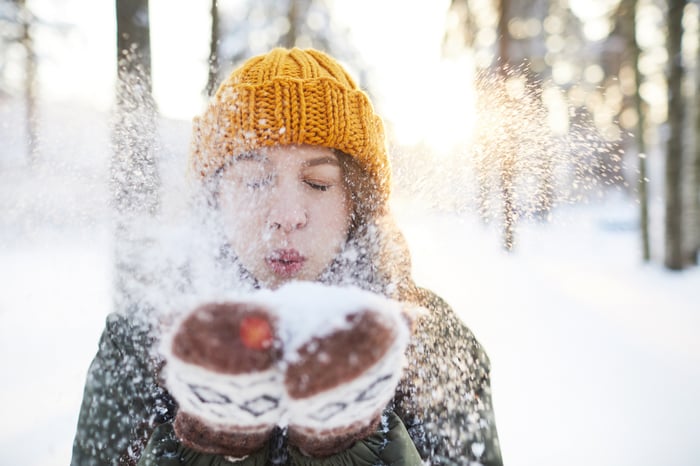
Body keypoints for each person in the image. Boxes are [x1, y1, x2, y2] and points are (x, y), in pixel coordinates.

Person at [71, 47, 503, 466]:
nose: (286, 216)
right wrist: (201, 453)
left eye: (317, 182)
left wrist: (358, 449)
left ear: (358, 201)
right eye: (256, 179)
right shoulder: (142, 341)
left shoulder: (425, 339)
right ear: (215, 198)